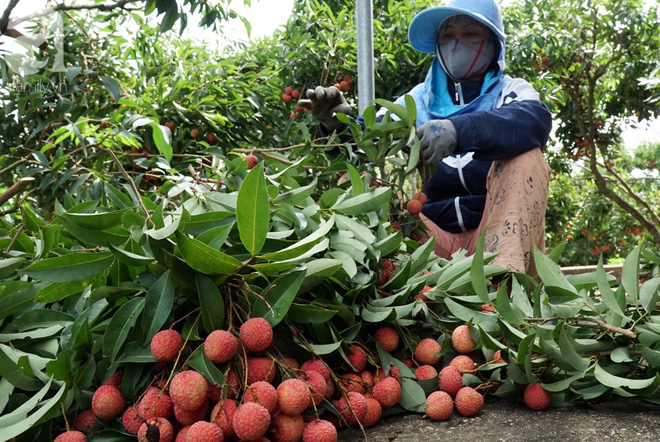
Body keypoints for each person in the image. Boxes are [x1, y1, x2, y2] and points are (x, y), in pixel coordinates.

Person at [297, 0, 552, 278]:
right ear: (437, 45)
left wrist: (458, 130)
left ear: (494, 44)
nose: (457, 43)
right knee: (362, 188)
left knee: (527, 157)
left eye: (471, 34)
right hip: (433, 242)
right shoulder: (416, 102)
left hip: (502, 239)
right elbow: (362, 152)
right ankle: (389, 282)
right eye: (447, 35)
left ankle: (501, 281)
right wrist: (337, 125)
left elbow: (534, 121)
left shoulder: (512, 93)